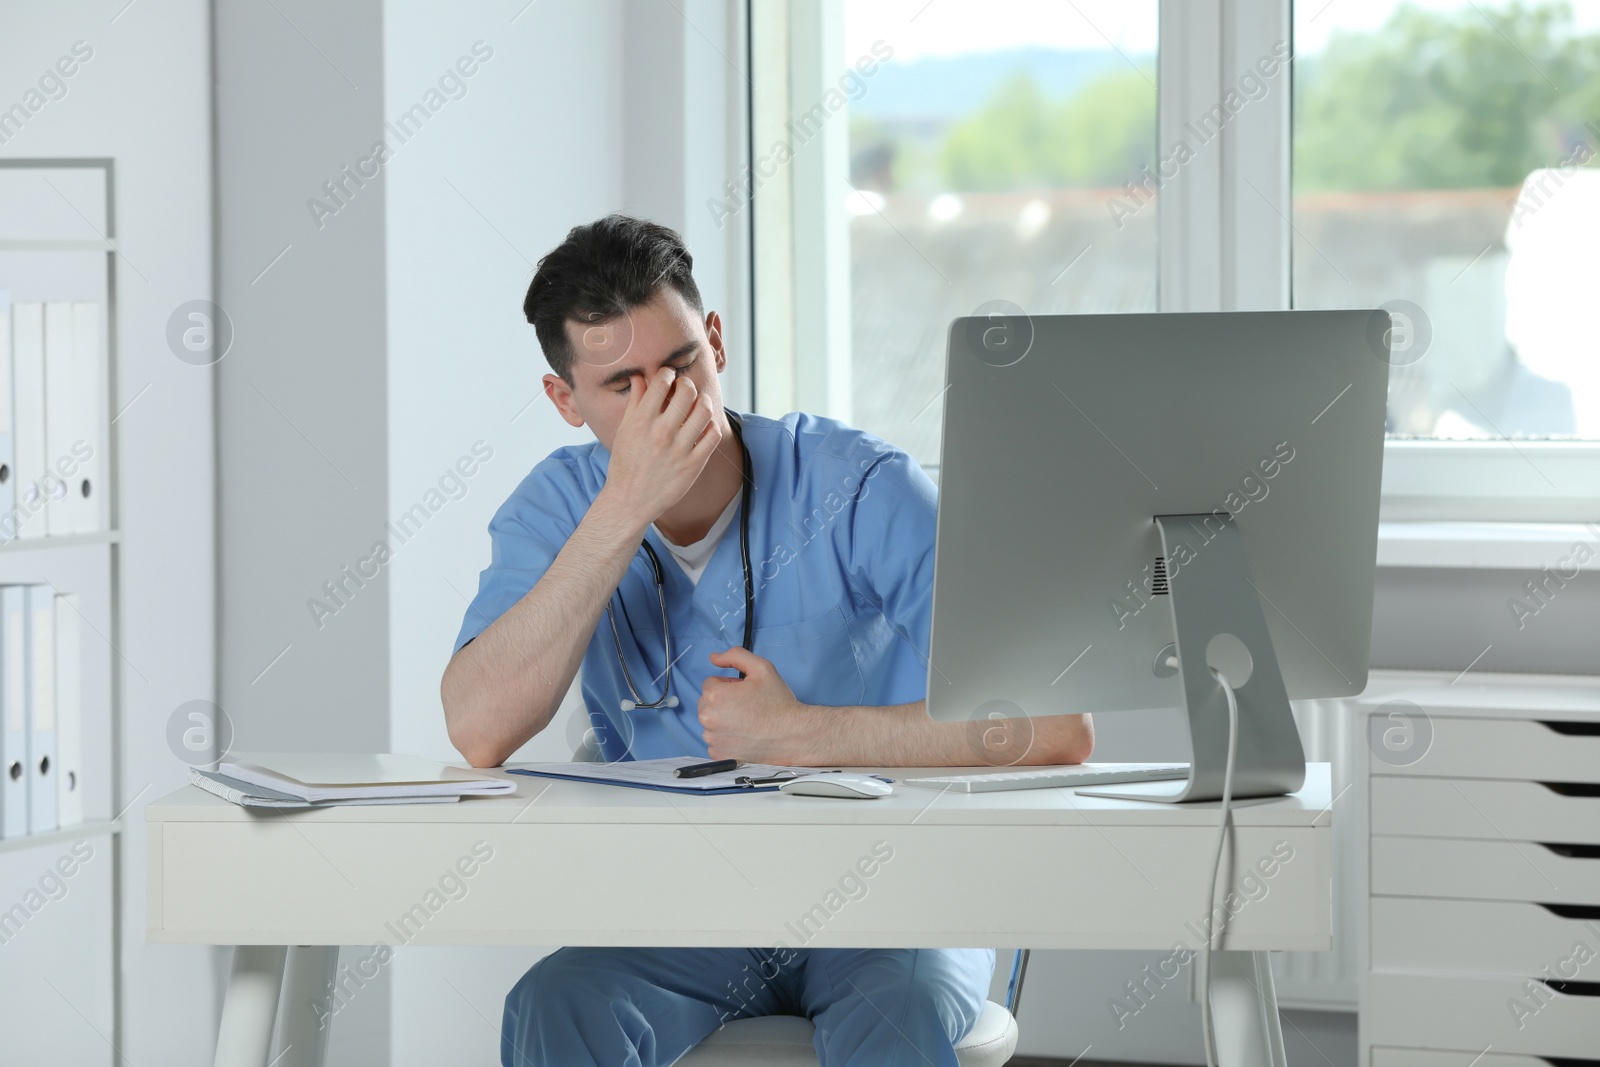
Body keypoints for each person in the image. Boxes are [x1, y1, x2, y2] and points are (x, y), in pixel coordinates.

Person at [442, 214, 1093, 1067]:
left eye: (681, 364)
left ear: (716, 341)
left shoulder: (857, 484)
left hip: (888, 899)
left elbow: (1058, 726)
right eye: (624, 385)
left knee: (899, 1011)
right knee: (556, 1004)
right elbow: (479, 727)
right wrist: (624, 506)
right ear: (566, 401)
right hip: (693, 911)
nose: (668, 401)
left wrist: (810, 735)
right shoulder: (562, 509)